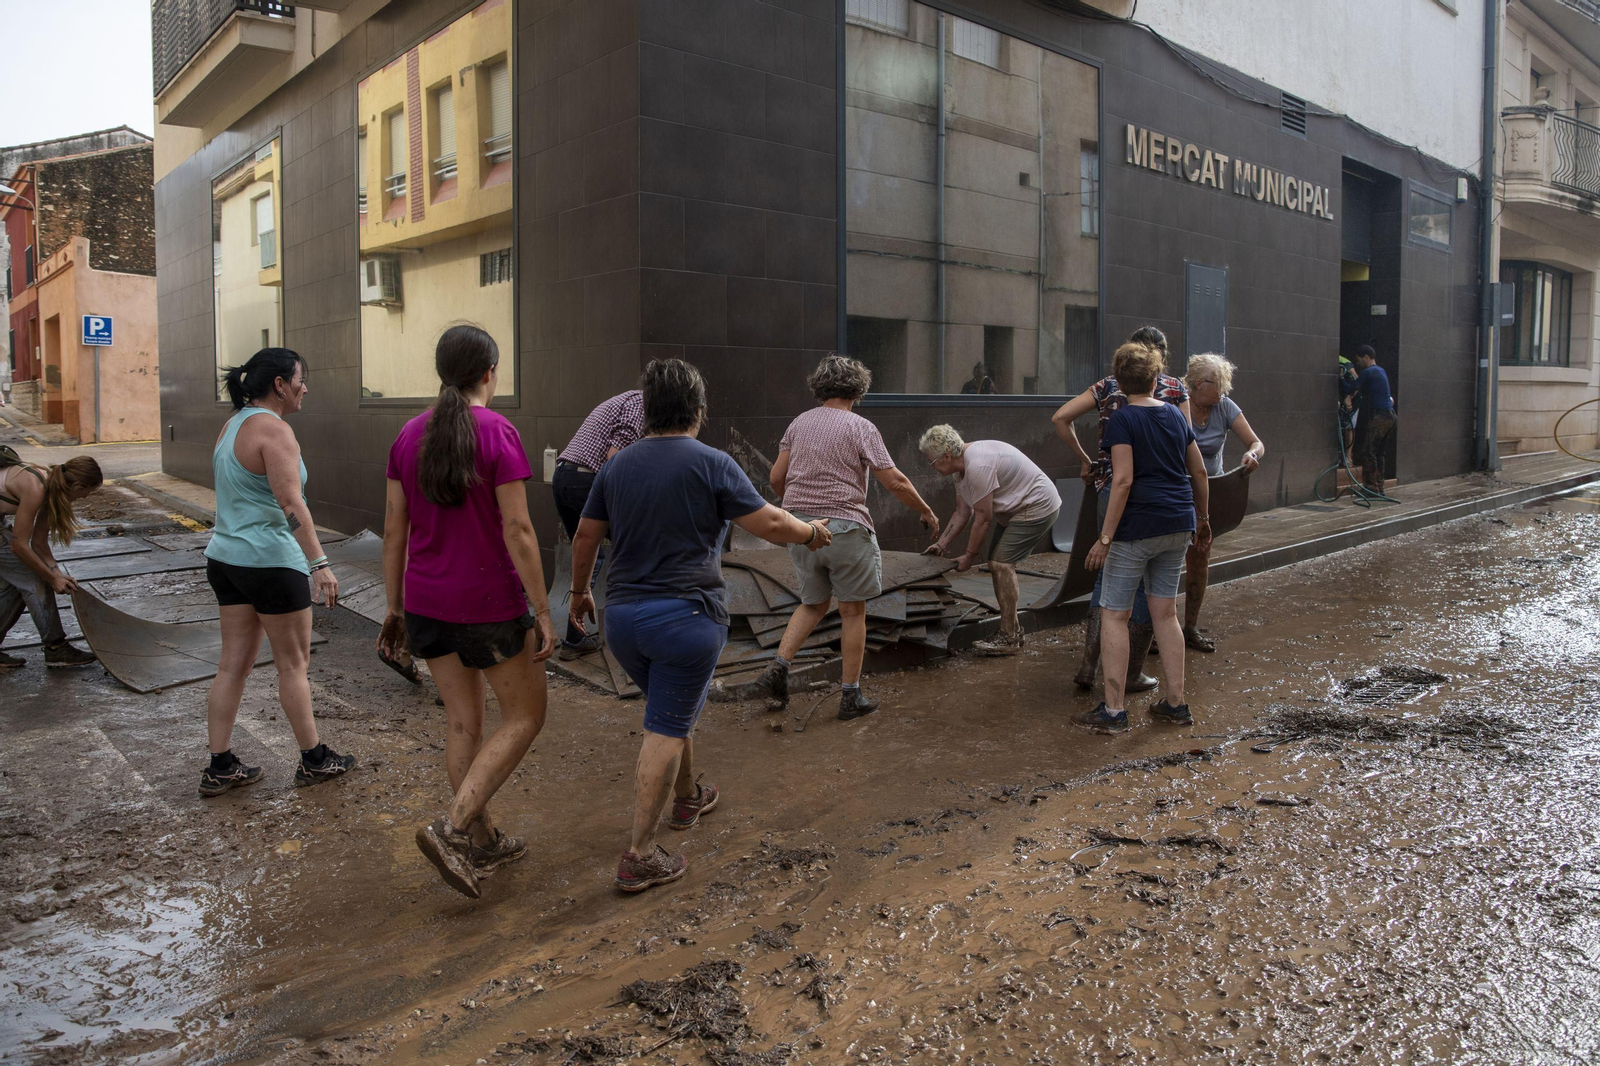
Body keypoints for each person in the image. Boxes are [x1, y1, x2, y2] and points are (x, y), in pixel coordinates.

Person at [568, 359, 833, 894]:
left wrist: (577, 594)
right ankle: (639, 853)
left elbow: (584, 538)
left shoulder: (615, 465)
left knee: (670, 706)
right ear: (699, 409)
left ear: (647, 409)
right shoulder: (711, 462)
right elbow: (770, 522)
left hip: (622, 620)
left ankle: (688, 797)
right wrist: (811, 533)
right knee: (664, 728)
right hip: (686, 618)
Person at [380, 325, 557, 900]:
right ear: (490, 373)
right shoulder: (497, 430)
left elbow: (393, 532)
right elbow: (519, 530)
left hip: (427, 603)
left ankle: (482, 840)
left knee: (463, 724)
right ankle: (452, 829)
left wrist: (393, 608)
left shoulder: (408, 435)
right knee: (526, 716)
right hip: (489, 606)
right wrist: (543, 610)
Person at [200, 348, 355, 797]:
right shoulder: (275, 430)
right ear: (280, 385)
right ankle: (314, 759)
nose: (305, 387)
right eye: (300, 380)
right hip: (269, 561)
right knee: (293, 665)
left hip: (226, 559)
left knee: (233, 665)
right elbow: (291, 505)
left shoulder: (233, 425)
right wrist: (319, 564)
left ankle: (220, 765)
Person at [752, 354, 939, 720]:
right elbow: (895, 481)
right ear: (858, 388)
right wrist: (925, 510)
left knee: (813, 604)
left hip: (803, 530)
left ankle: (778, 667)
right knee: (853, 611)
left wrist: (799, 508)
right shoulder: (860, 427)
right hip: (846, 528)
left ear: (819, 386)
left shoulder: (798, 424)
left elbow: (777, 478)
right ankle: (850, 696)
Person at [1050, 325, 1190, 693]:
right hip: (1163, 499)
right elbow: (1187, 450)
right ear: (1160, 359)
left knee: (1107, 580)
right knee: (1151, 593)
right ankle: (1132, 676)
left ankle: (1088, 665)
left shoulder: (1109, 385)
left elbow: (1060, 417)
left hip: (1110, 489)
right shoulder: (1175, 390)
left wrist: (1085, 461)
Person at [1082, 342, 1211, 733]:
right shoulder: (1175, 414)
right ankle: (1175, 704)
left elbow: (1121, 480)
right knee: (1166, 613)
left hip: (1137, 527)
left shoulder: (1122, 419)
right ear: (1157, 379)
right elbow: (1200, 472)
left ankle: (1115, 711)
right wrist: (1202, 519)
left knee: (1115, 614)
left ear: (1119, 383)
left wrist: (1104, 538)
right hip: (1178, 521)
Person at [919, 425, 1060, 656]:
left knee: (1001, 564)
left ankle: (1009, 637)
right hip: (1015, 509)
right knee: (997, 565)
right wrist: (940, 545)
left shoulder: (978, 464)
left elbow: (983, 518)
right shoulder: (960, 469)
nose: (931, 466)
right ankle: (1012, 631)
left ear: (946, 456)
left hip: (1037, 505)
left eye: (932, 462)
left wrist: (969, 557)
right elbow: (962, 513)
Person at [551, 388, 643, 659]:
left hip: (564, 477)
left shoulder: (626, 399)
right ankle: (634, 631)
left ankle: (575, 637)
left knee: (591, 553)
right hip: (587, 479)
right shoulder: (641, 404)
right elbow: (614, 462)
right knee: (636, 549)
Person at [1181, 353, 1264, 652]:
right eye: (1218, 385)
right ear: (1197, 384)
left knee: (1199, 557)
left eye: (1225, 384)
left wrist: (1252, 454)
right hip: (1178, 490)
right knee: (1164, 561)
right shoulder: (1177, 403)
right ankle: (1152, 629)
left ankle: (1190, 627)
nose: (1222, 391)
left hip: (1209, 492)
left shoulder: (1225, 407)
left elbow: (1256, 442)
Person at [0, 452, 102, 669]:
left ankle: (56, 648)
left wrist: (57, 572)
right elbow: (19, 545)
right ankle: (56, 648)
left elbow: (38, 542)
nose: (84, 498)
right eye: (87, 492)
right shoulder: (36, 488)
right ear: (76, 485)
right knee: (35, 579)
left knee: (19, 585)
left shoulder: (52, 490)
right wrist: (50, 578)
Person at [1348, 344, 1396, 493]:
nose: (1358, 363)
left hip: (1380, 417)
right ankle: (1379, 486)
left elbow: (1353, 387)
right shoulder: (1380, 371)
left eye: (1359, 360)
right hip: (1390, 416)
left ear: (1366, 357)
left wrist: (1344, 376)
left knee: (1368, 452)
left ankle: (1370, 488)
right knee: (1379, 453)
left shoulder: (1369, 371)